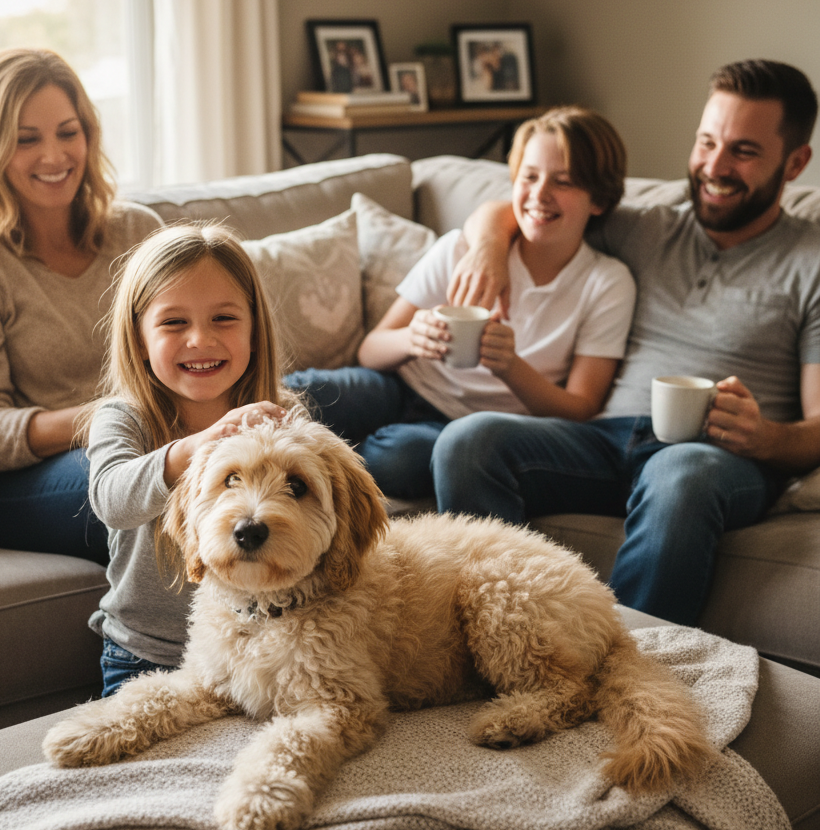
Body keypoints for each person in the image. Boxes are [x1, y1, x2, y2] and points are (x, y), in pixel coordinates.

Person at [444, 59, 819, 626]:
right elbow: (525, 207)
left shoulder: (810, 263)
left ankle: (624, 666)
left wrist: (765, 436)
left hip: (716, 456)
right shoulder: (647, 227)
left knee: (679, 475)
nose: (714, 166)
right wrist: (489, 248)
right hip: (606, 437)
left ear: (796, 163)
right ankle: (504, 634)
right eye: (707, 142)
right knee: (467, 442)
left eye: (743, 151)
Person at [285, 106, 636, 501]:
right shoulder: (462, 252)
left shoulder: (606, 283)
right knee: (301, 392)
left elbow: (581, 408)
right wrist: (411, 339)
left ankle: (320, 472)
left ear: (599, 200)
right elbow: (369, 351)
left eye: (564, 181)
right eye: (530, 176)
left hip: (478, 427)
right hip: (402, 386)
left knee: (399, 458)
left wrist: (510, 367)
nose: (540, 194)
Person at [0, 48, 162, 563]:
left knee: (318, 410)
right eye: (26, 139)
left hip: (160, 437)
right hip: (27, 482)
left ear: (89, 136)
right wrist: (112, 417)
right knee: (162, 485)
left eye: (67, 132)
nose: (54, 156)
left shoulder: (138, 231)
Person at [83, 223, 296, 695]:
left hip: (264, 643)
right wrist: (196, 448)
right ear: (139, 339)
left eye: (224, 319)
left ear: (255, 331)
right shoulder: (122, 418)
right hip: (146, 652)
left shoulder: (283, 413)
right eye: (174, 323)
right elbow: (112, 500)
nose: (199, 340)